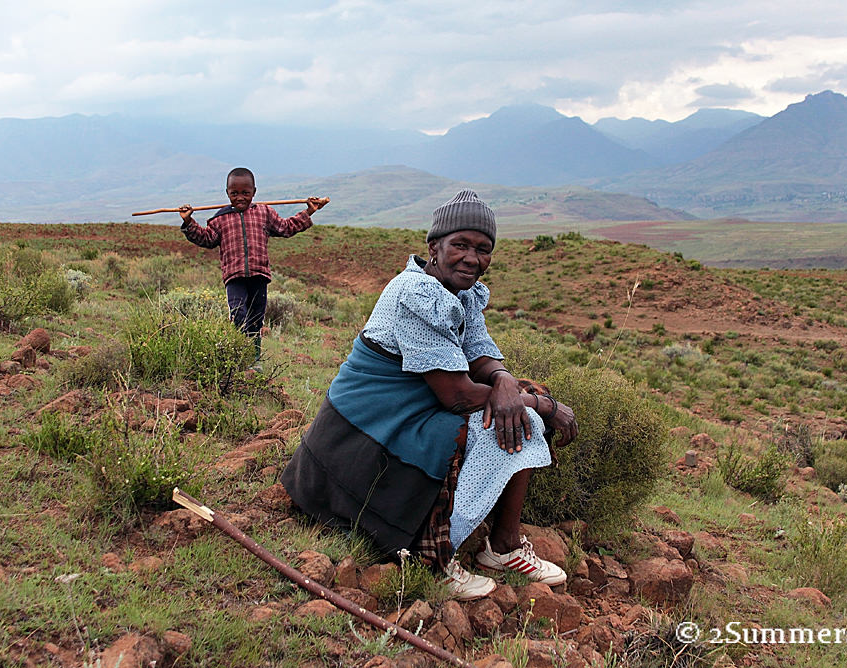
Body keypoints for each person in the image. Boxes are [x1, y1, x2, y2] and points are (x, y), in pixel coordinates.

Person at [281, 189, 578, 600]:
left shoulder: (460, 292)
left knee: (519, 409)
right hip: (370, 421)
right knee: (491, 424)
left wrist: (507, 381)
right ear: (434, 246)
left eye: (483, 249)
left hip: (414, 402)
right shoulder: (416, 294)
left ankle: (504, 546)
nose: (472, 258)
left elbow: (479, 351)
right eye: (460, 245)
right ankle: (433, 556)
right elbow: (455, 396)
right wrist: (541, 405)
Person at [178, 167, 328, 367]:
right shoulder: (219, 219)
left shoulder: (264, 213)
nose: (240, 197)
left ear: (254, 192)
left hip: (259, 275)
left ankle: (254, 359)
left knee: (256, 317)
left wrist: (309, 211)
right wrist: (188, 221)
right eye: (234, 193)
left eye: (245, 193)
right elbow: (206, 239)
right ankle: (239, 357)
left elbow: (286, 228)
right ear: (227, 193)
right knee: (238, 314)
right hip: (234, 276)